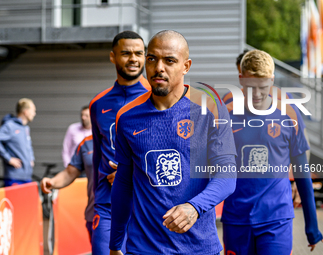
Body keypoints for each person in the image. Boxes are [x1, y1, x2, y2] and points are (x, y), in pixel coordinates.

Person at [109, 30, 237, 255]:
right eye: (152, 59)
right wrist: (115, 243)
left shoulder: (211, 107)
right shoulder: (126, 116)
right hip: (143, 249)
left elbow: (226, 176)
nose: (159, 67)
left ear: (186, 66)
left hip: (200, 248)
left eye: (169, 61)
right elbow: (124, 183)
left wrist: (194, 207)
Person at [221, 49, 323, 255]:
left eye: (263, 87)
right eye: (251, 87)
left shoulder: (288, 110)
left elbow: (302, 170)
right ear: (241, 79)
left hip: (276, 217)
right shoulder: (225, 108)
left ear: (272, 80)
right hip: (236, 218)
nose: (257, 94)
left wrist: (312, 227)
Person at [89, 30, 151, 254]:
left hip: (145, 205)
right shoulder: (98, 104)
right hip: (108, 205)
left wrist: (130, 173)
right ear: (113, 56)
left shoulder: (158, 97)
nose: (133, 59)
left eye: (139, 53)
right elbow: (98, 157)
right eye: (126, 53)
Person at [40, 135, 94, 242]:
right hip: (95, 214)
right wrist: (52, 182)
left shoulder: (127, 137)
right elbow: (70, 172)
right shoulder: (86, 143)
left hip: (128, 215)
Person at [0, 98, 36, 187]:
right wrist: (9, 159)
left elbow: (28, 146)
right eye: (33, 111)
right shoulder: (10, 126)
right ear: (25, 111)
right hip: (14, 177)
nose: (34, 114)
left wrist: (31, 159)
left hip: (26, 177)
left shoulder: (26, 128)